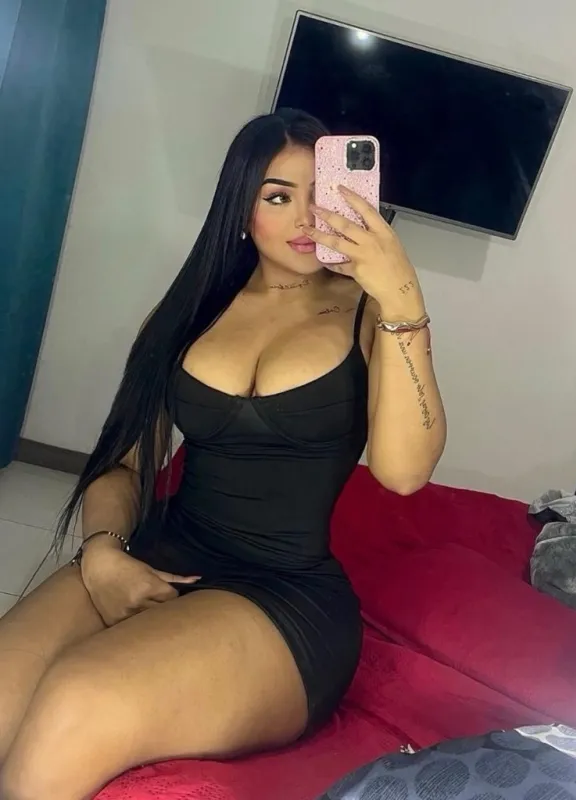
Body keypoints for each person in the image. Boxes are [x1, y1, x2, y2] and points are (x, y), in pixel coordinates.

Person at [0, 108, 446, 800]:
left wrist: (402, 296)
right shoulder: (187, 312)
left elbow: (404, 471)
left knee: (77, 700)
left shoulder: (369, 314)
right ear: (241, 210)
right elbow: (124, 464)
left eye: (320, 193)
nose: (306, 216)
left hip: (283, 596)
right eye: (278, 195)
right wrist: (102, 552)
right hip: (163, 550)